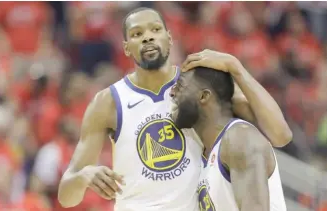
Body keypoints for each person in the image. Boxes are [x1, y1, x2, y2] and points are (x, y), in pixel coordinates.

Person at [58, 7, 292, 211]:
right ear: (126, 48)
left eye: (155, 30)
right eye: (137, 34)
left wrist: (236, 68)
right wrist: (85, 176)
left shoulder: (196, 85)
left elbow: (280, 135)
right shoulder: (107, 101)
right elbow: (66, 196)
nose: (147, 38)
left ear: (170, 38)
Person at [170, 66, 287, 211]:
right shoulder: (207, 153)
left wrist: (232, 66)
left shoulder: (240, 139)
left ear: (204, 96)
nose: (171, 92)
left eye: (180, 86)